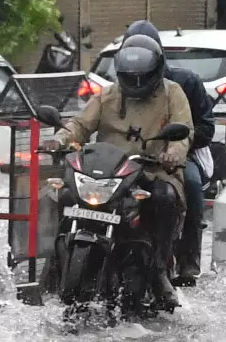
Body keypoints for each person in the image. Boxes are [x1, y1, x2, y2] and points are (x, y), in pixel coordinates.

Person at [57, 38, 193, 306]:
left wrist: (172, 155)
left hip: (153, 170)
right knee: (63, 195)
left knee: (165, 198)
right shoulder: (107, 94)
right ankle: (56, 262)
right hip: (106, 173)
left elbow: (182, 131)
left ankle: (158, 268)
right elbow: (80, 125)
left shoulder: (173, 92)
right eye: (131, 77)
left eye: (144, 77)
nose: (137, 83)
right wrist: (59, 139)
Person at [122, 21, 217, 285]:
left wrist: (174, 145)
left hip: (177, 157)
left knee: (193, 187)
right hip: (131, 158)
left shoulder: (183, 83)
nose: (136, 73)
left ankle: (187, 260)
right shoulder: (118, 87)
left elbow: (205, 127)